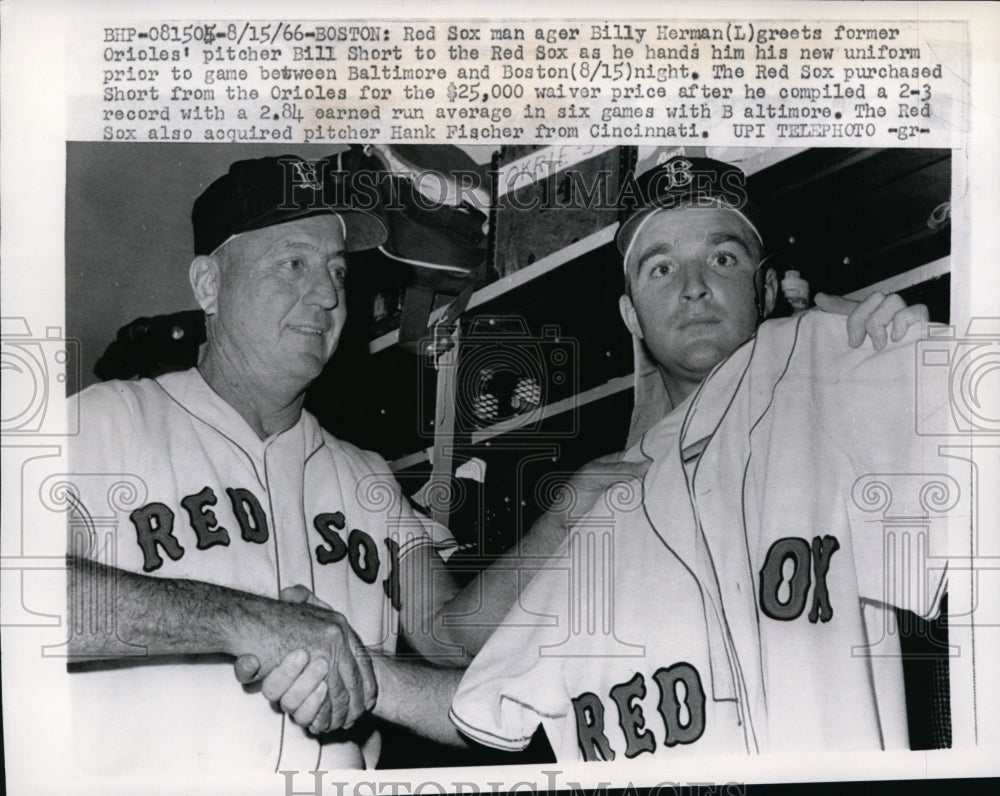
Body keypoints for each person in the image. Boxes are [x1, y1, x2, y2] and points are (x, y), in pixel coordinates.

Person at [260, 156, 956, 760]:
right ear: (630, 317)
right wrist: (348, 664)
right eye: (661, 267)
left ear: (767, 289)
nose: (693, 287)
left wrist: (922, 365)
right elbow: (481, 696)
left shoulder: (833, 392)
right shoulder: (603, 501)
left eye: (723, 258)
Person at [66, 154, 478, 780]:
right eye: (294, 263)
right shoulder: (106, 421)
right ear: (209, 285)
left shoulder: (366, 478)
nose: (329, 294)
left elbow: (465, 663)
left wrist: (575, 514)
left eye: (338, 269)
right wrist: (248, 622)